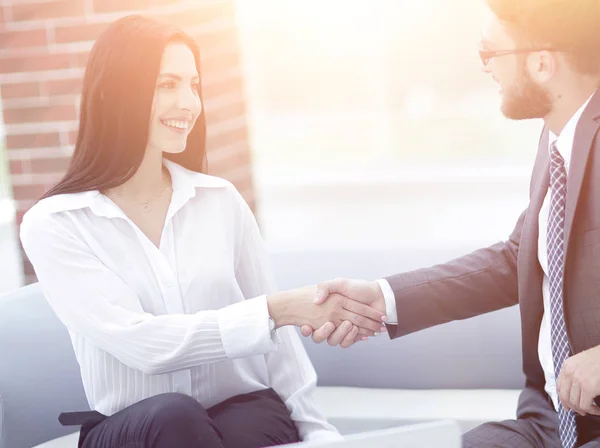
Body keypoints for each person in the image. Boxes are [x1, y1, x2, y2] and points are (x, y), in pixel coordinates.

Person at [19, 15, 387, 448]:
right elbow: (143, 345)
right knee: (175, 416)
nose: (189, 103)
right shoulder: (56, 225)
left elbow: (281, 350)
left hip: (241, 411)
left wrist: (317, 432)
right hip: (138, 428)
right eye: (166, 84)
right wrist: (274, 310)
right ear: (112, 92)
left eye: (194, 85)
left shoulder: (220, 200)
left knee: (246, 424)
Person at [302, 0, 600, 446]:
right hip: (549, 421)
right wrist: (382, 298)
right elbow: (519, 258)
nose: (487, 70)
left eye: (491, 53)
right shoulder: (557, 139)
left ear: (541, 63)